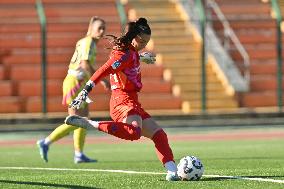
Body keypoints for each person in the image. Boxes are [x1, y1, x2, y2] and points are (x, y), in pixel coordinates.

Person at [65, 17, 180, 181]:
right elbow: (104, 70)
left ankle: (173, 172)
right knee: (134, 132)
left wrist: (141, 57)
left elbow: (131, 58)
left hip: (133, 100)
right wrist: (86, 90)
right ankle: (91, 124)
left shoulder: (131, 52)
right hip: (122, 100)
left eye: (147, 42)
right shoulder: (122, 54)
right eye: (143, 42)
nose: (145, 45)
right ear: (135, 38)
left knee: (159, 134)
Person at [37, 16, 110, 164]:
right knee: (75, 120)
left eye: (104, 28)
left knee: (84, 120)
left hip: (79, 83)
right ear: (91, 29)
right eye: (99, 28)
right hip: (74, 83)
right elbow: (84, 64)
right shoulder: (88, 42)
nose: (102, 31)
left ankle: (79, 154)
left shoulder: (86, 42)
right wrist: (101, 79)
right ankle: (46, 142)